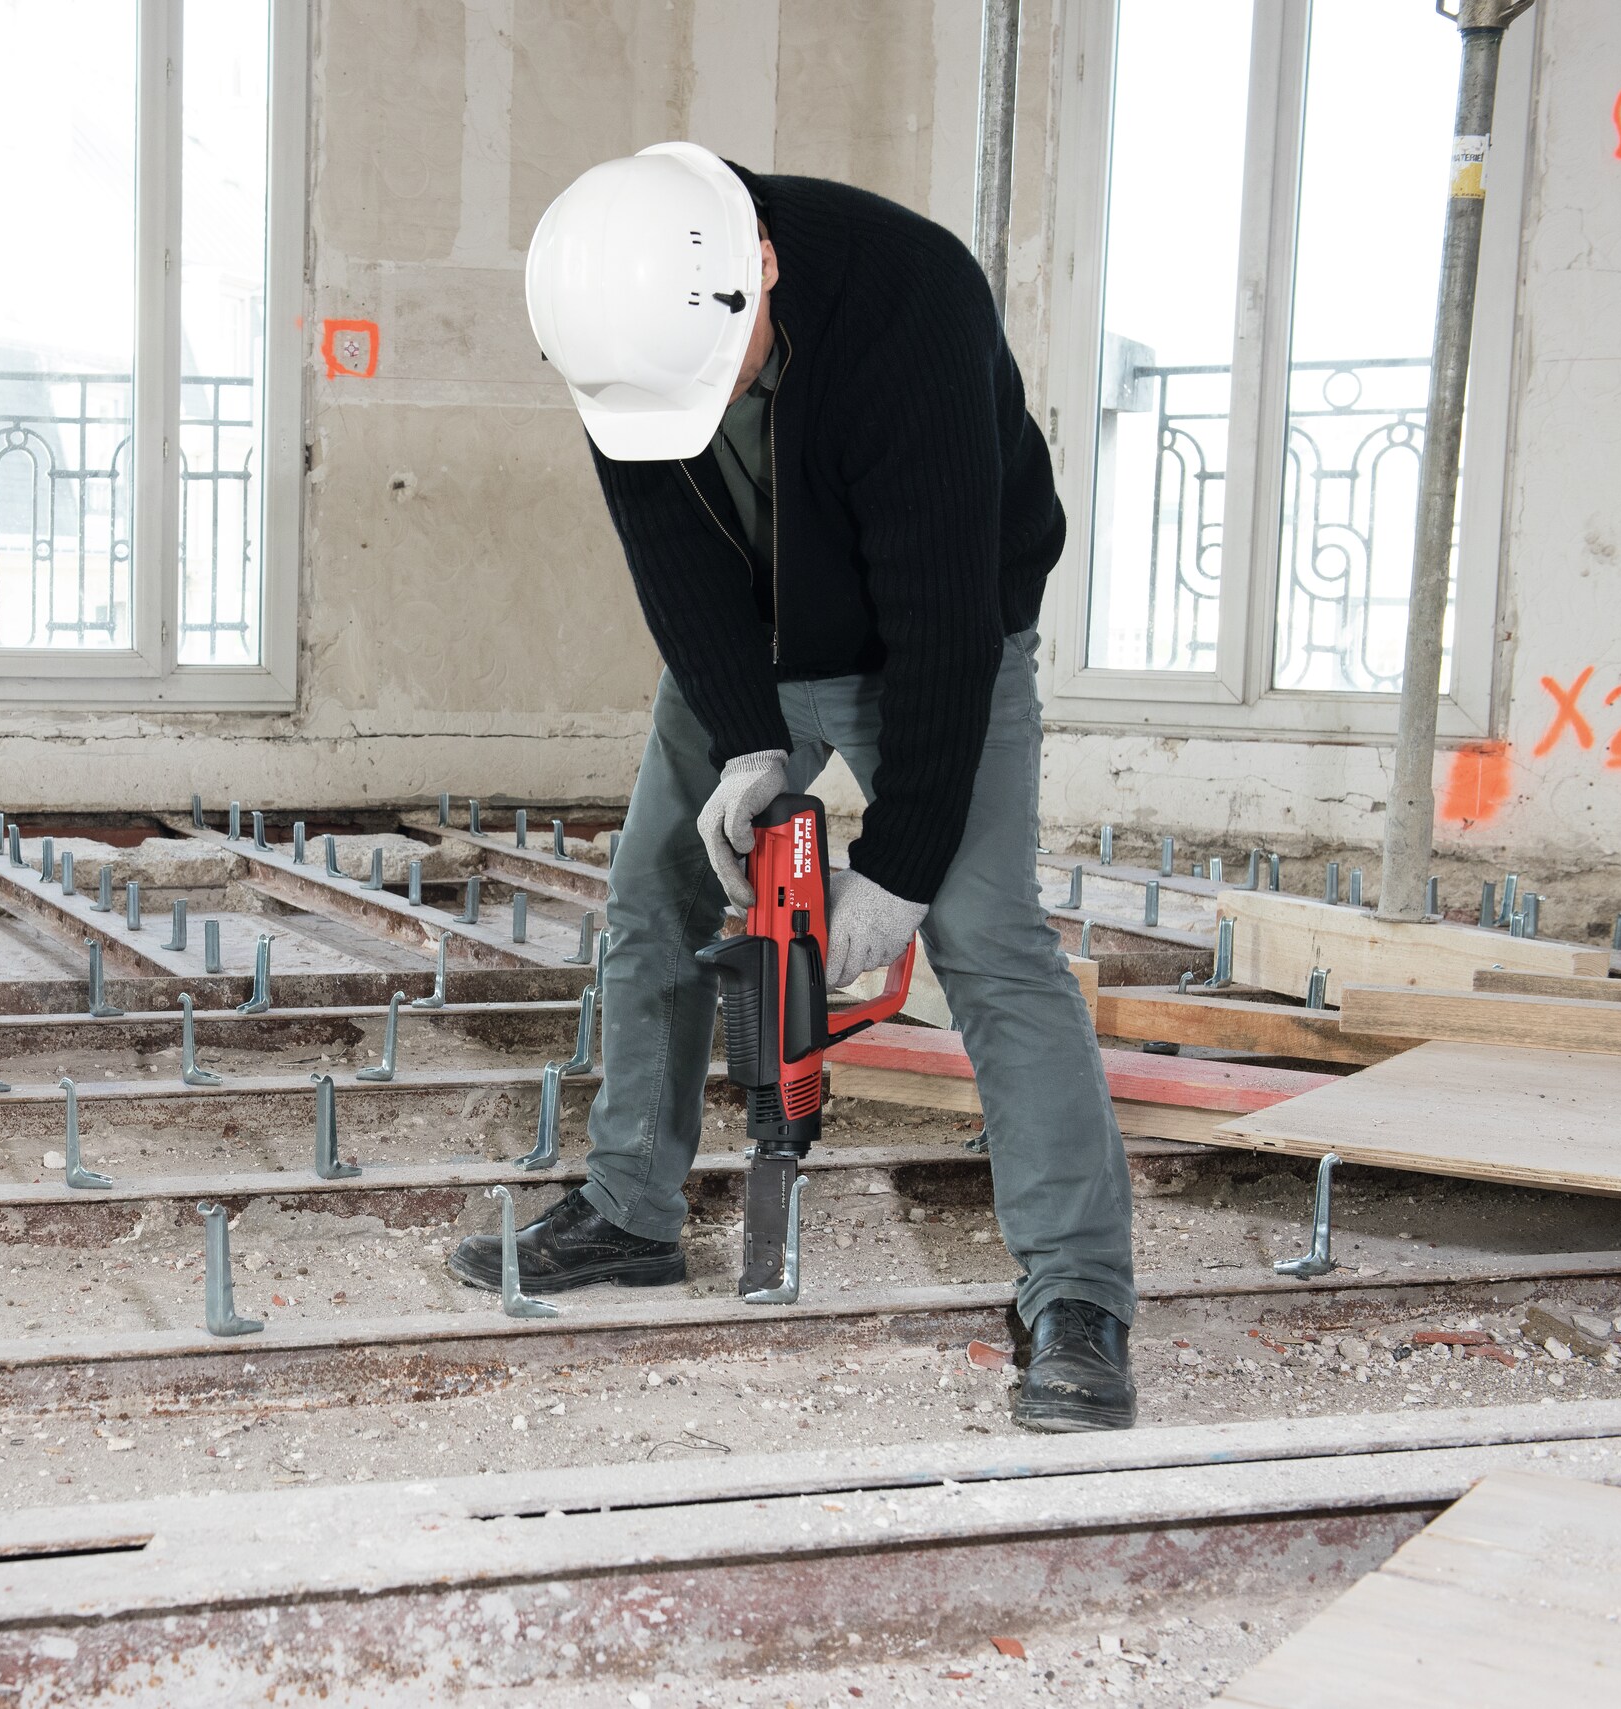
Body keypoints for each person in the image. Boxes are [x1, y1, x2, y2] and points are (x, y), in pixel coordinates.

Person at [445, 143, 1137, 1433]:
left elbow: (943, 629)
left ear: (758, 268)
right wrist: (747, 732)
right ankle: (631, 1214)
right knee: (653, 889)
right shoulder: (627, 318)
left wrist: (902, 873)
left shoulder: (911, 303)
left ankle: (1080, 1297)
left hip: (940, 630)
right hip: (761, 636)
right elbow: (673, 557)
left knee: (987, 937)